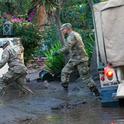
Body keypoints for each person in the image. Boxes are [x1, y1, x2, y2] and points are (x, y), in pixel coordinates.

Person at [53, 23, 100, 96]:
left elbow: (67, 47)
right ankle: (65, 90)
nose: (62, 31)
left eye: (63, 29)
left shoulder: (72, 36)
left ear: (67, 29)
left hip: (81, 59)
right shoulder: (74, 34)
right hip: (75, 59)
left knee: (85, 77)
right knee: (65, 71)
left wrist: (57, 52)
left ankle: (96, 92)